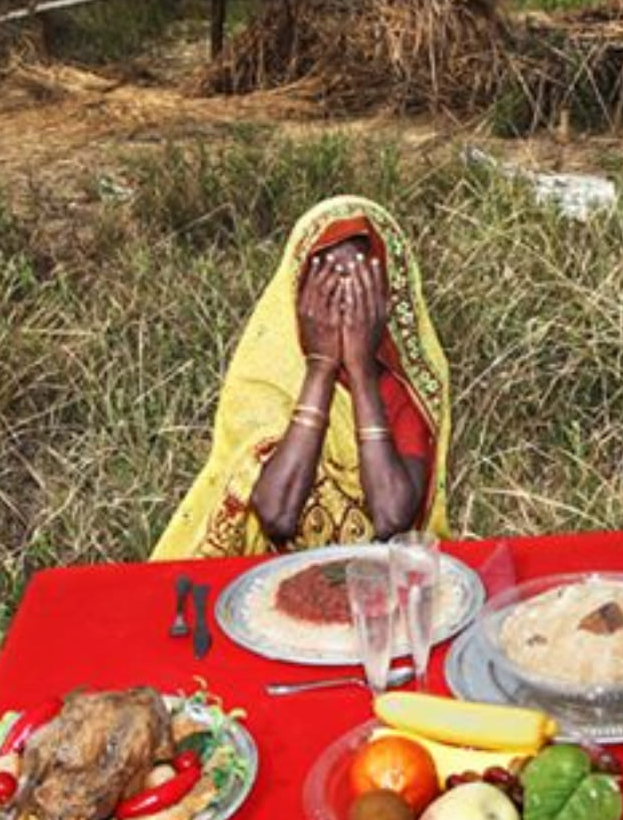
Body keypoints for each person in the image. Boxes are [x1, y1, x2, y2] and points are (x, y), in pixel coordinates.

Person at [152, 195, 450, 559]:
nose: (343, 307)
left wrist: (360, 373)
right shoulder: (268, 378)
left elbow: (392, 517)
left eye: (361, 289)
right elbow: (277, 514)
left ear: (387, 299)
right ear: (297, 294)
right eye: (326, 287)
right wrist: (321, 367)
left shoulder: (402, 386)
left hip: (372, 584)